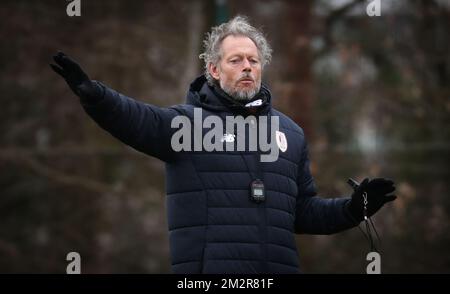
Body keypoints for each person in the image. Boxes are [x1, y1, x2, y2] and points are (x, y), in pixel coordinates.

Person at [50, 16, 396, 274]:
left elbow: (302, 213)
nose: (247, 67)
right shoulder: (185, 125)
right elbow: (134, 119)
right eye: (236, 60)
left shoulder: (290, 134)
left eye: (253, 60)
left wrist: (354, 209)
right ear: (214, 69)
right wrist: (95, 96)